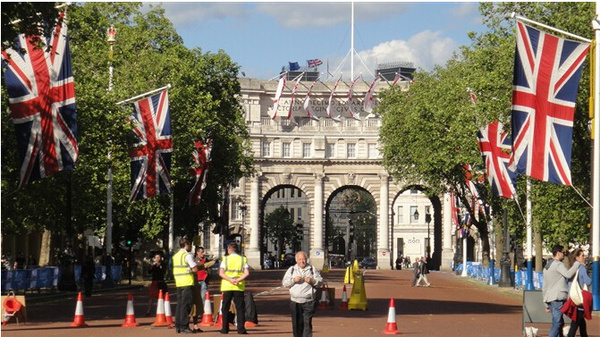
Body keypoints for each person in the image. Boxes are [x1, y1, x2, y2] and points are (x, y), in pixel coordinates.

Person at [282, 251, 323, 337]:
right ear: (296, 260)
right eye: (300, 259)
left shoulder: (312, 269)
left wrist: (312, 281)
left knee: (307, 323)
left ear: (306, 259)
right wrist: (293, 280)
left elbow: (320, 282)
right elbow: (285, 283)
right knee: (296, 324)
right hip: (295, 301)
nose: (302, 261)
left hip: (308, 301)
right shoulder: (292, 270)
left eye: (303, 259)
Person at [542, 245, 580, 337]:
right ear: (558, 253)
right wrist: (577, 264)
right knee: (557, 323)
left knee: (559, 322)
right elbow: (568, 274)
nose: (564, 254)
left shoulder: (547, 266)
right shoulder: (558, 264)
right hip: (558, 297)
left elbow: (544, 286)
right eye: (563, 252)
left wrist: (545, 303)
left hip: (549, 298)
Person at [173, 238, 205, 334]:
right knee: (186, 305)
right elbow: (194, 269)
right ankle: (184, 326)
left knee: (179, 305)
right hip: (187, 282)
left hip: (178, 282)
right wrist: (191, 269)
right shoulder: (187, 256)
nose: (191, 247)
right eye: (190, 245)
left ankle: (178, 326)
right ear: (186, 245)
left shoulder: (176, 255)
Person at [218, 242, 249, 335]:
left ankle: (225, 329)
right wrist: (237, 279)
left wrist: (230, 279)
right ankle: (241, 329)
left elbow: (221, 273)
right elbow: (246, 273)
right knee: (240, 308)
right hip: (238, 286)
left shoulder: (225, 259)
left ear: (229, 249)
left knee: (225, 308)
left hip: (227, 286)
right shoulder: (242, 259)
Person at [566, 248, 592, 337]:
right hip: (579, 299)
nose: (584, 257)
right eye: (582, 256)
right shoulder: (581, 268)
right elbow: (588, 281)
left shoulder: (572, 268)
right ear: (577, 258)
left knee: (581, 324)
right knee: (575, 325)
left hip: (572, 298)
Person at [191, 246, 215, 332]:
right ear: (197, 252)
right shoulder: (194, 260)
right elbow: (201, 266)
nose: (203, 254)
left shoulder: (205, 259)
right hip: (196, 281)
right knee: (195, 301)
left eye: (203, 252)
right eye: (201, 252)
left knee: (203, 298)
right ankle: (195, 319)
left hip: (203, 281)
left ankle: (200, 315)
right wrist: (210, 263)